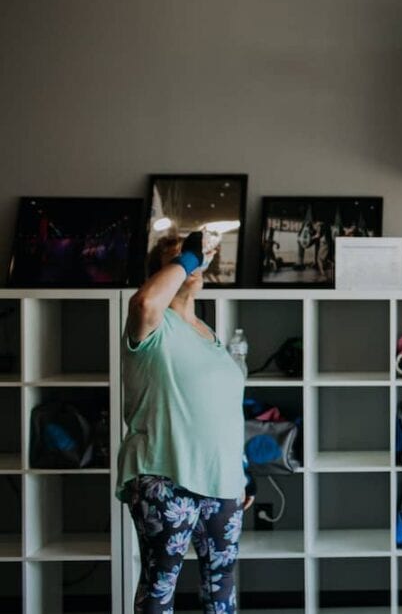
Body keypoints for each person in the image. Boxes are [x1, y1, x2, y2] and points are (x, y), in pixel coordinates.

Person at [116, 231, 254, 614]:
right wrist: (190, 257)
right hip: (164, 475)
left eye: (193, 256)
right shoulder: (154, 325)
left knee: (221, 582)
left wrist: (242, 468)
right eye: (178, 257)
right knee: (160, 582)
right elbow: (144, 302)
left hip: (221, 479)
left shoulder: (210, 335)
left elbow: (224, 410)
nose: (192, 262)